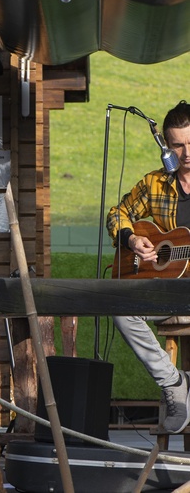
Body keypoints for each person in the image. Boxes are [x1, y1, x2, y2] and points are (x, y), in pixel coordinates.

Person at [107, 100, 190, 434]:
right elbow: (117, 212)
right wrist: (131, 240)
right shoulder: (155, 183)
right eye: (179, 145)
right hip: (168, 291)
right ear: (167, 147)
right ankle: (174, 384)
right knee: (119, 307)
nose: (187, 153)